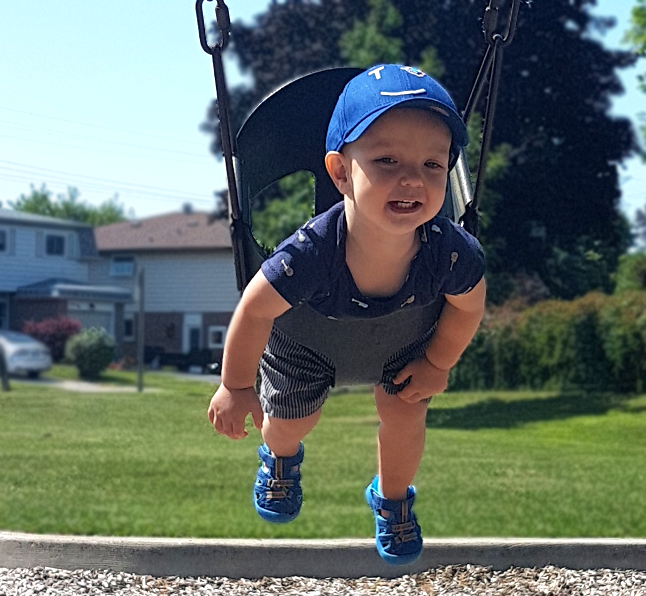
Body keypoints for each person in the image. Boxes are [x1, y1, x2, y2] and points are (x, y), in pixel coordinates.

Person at [207, 64, 486, 566]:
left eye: (432, 165)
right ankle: (281, 458)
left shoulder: (448, 251)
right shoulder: (310, 253)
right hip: (306, 344)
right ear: (339, 173)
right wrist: (236, 386)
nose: (411, 179)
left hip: (402, 344)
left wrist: (438, 363)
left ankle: (394, 498)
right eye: (386, 160)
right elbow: (253, 311)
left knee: (406, 413)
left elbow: (469, 303)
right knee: (293, 422)